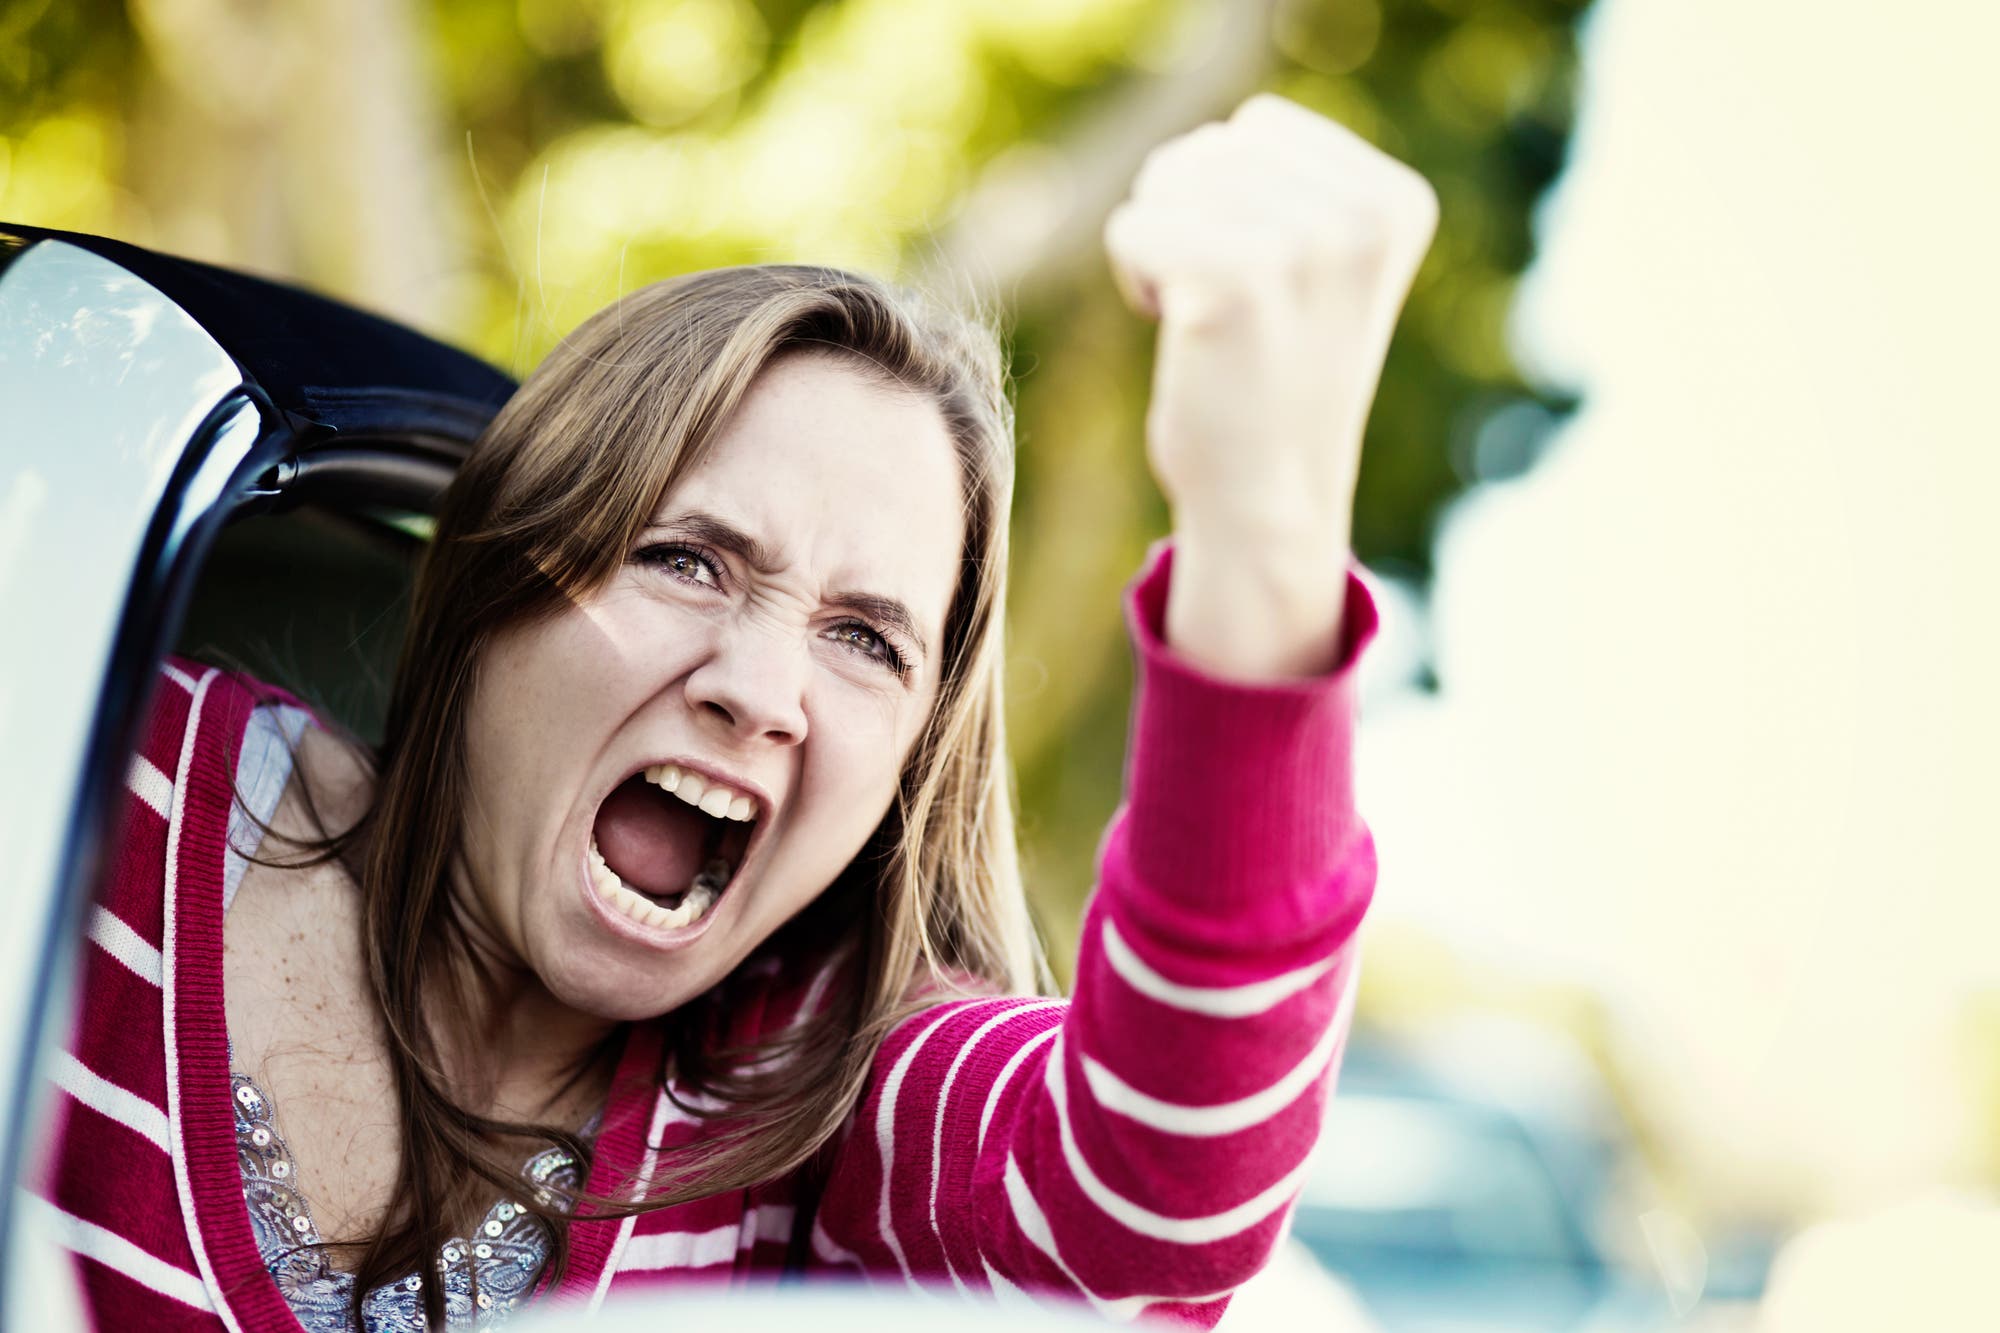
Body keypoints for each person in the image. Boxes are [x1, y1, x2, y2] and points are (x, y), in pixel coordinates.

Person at [35, 94, 1436, 1330]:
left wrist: (1265, 520)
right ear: (495, 578)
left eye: (865, 640)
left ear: (905, 766)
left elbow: (1151, 1188)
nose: (758, 693)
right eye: (686, 558)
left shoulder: (817, 1112)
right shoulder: (90, 778)